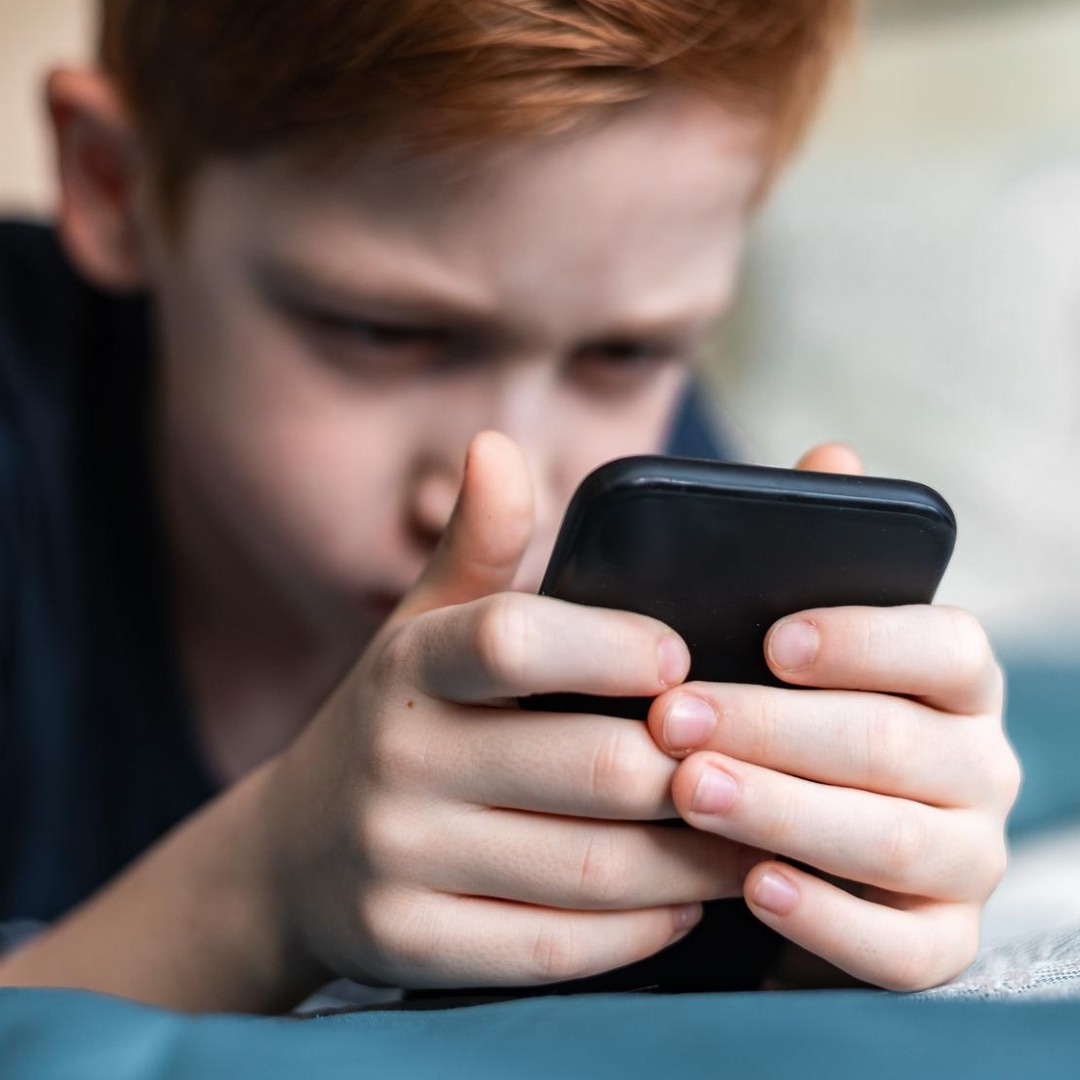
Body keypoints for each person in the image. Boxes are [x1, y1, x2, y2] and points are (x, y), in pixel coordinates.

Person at [0, 0, 1019, 1013]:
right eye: (385, 331)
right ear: (114, 182)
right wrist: (265, 886)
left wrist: (807, 913)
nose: (517, 492)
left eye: (625, 354)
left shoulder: (664, 484)